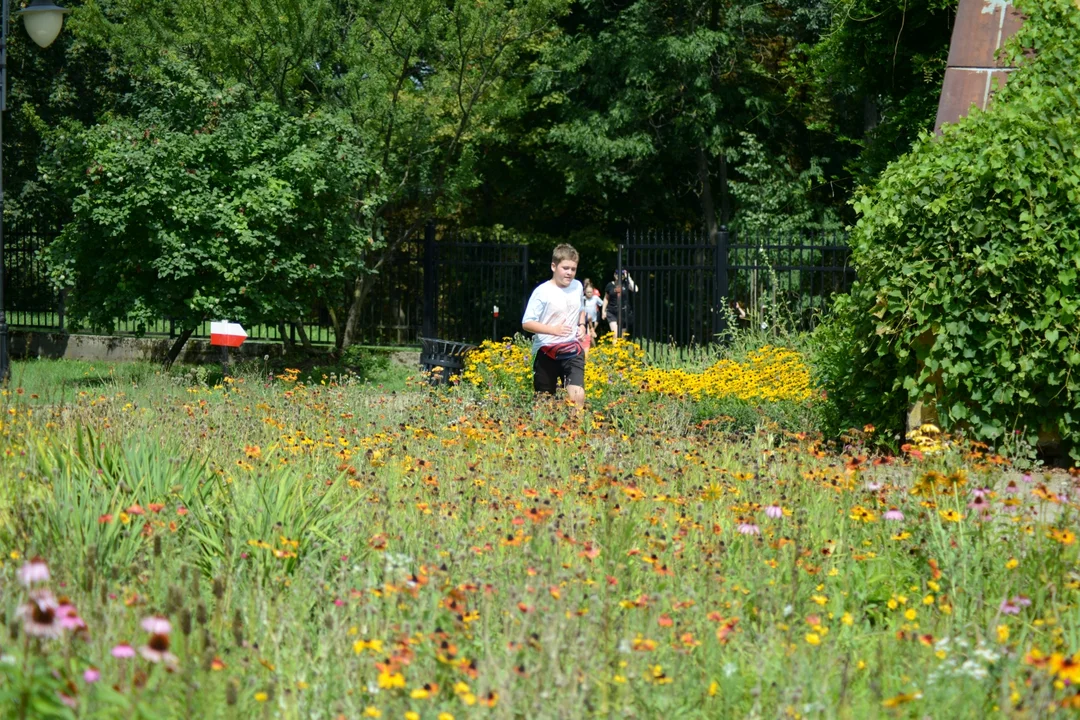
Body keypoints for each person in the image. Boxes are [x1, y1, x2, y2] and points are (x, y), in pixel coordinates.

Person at [521, 244, 587, 406]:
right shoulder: (542, 292)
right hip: (546, 351)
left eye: (573, 269)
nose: (569, 273)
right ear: (553, 266)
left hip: (572, 350)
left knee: (577, 395)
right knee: (544, 403)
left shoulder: (577, 286)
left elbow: (581, 308)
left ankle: (577, 429)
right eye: (565, 268)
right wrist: (553, 330)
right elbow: (526, 323)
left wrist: (582, 324)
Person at [602, 268, 638, 339]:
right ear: (614, 275)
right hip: (612, 312)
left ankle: (620, 350)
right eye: (617, 274)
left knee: (622, 337)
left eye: (621, 275)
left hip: (623, 312)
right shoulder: (609, 285)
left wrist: (629, 277)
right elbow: (606, 298)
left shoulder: (626, 284)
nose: (618, 276)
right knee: (615, 334)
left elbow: (635, 289)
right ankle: (614, 350)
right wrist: (603, 311)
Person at [582, 280, 602, 350]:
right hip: (585, 319)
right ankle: (593, 349)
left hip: (594, 319)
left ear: (593, 292)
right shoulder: (583, 299)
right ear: (584, 292)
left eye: (591, 292)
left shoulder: (595, 298)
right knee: (589, 335)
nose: (589, 294)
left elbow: (602, 304)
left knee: (590, 334)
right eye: (588, 292)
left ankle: (593, 349)